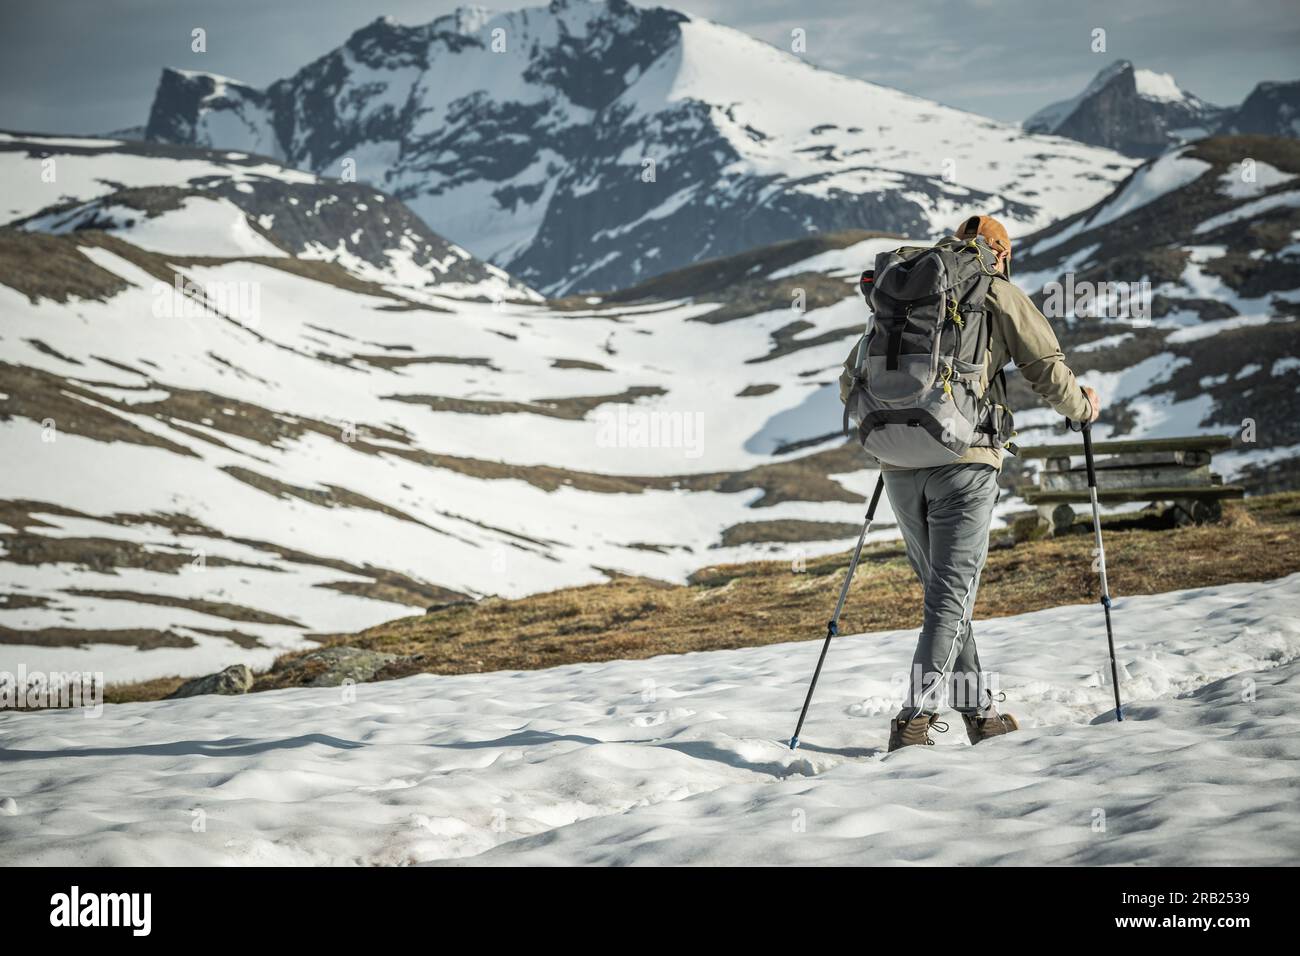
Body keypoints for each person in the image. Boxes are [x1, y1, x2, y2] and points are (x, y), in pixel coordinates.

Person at [839, 214, 1101, 752]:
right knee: (951, 597)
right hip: (965, 458)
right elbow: (1046, 366)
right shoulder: (995, 289)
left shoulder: (904, 293)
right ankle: (914, 719)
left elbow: (851, 377)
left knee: (944, 596)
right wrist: (1083, 408)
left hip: (897, 463)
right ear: (1000, 253)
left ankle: (980, 715)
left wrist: (902, 419)